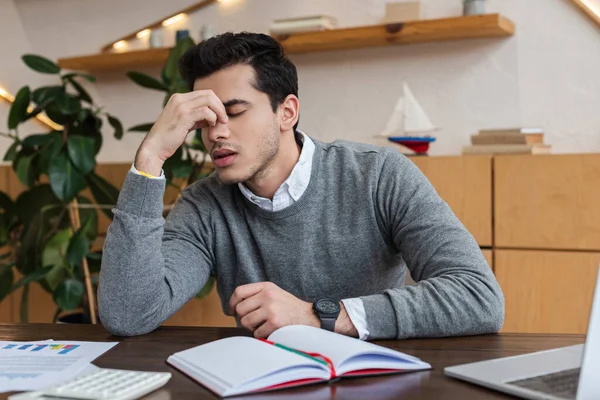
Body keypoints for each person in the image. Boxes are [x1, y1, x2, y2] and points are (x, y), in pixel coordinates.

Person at [98, 32, 504, 340]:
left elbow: (478, 297)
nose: (215, 134)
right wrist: (149, 160)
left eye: (234, 113)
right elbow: (129, 313)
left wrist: (320, 316)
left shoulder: (378, 175)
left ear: (286, 112)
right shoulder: (206, 204)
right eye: (206, 121)